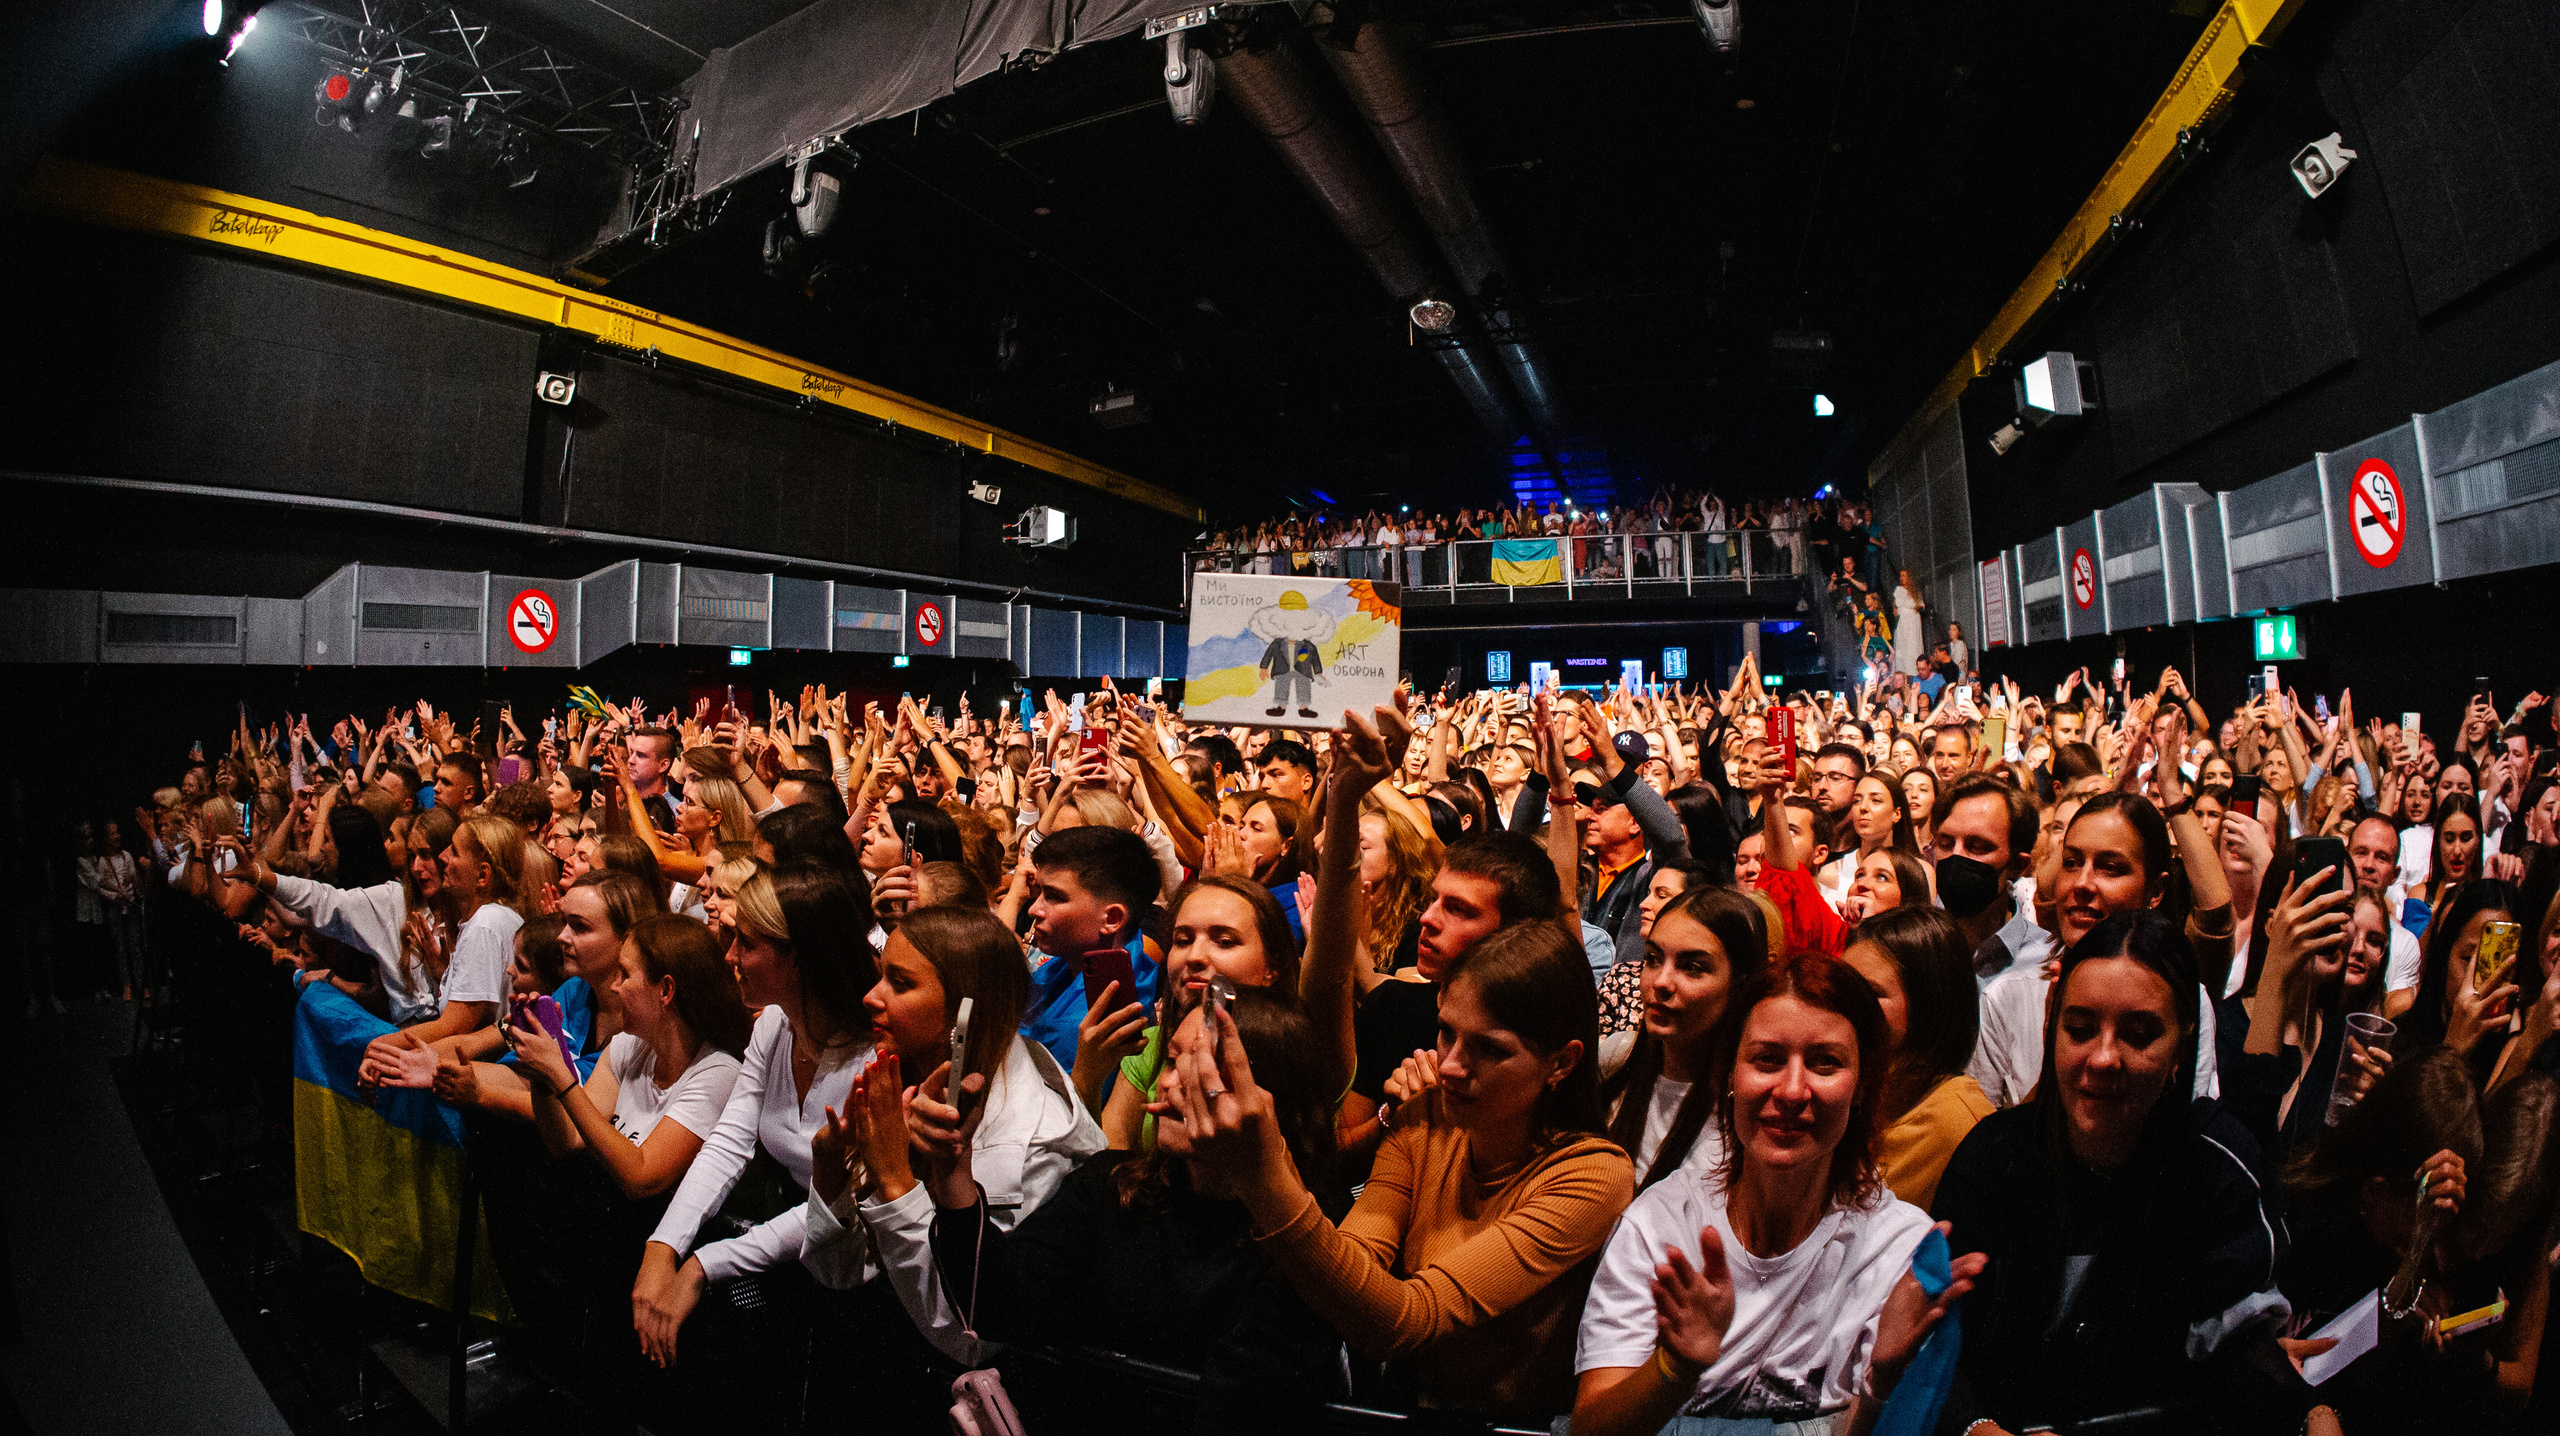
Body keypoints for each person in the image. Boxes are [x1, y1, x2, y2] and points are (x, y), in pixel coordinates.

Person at [1181, 919, 1634, 1422]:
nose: (1450, 1066)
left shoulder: (1593, 1173)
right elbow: (1352, 1267)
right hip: (1392, 1407)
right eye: (1447, 1033)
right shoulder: (1426, 1117)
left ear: (1562, 1063)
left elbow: (1407, 1320)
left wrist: (1265, 1180)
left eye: (1490, 1049)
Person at [1570, 953, 1981, 1435]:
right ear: (1728, 1074)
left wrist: (1882, 1382)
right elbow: (1588, 1428)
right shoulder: (1663, 1224)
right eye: (1767, 1059)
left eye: (1825, 1063)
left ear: (1864, 1085)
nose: (1791, 1091)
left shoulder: (1894, 1248)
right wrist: (1674, 1369)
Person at [1931, 912, 2309, 1436]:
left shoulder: (2218, 1171)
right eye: (2080, 1029)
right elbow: (1935, 1344)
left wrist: (2308, 1401)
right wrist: (1979, 1427)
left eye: (2138, 1034)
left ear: (2182, 1045)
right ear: (2052, 1027)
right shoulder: (1992, 1158)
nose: (2104, 1058)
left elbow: (2239, 1358)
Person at [905, 987, 1348, 1433]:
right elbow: (997, 1307)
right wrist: (954, 1172)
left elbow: (1246, 1404)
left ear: (1270, 1096)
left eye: (1204, 1068)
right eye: (1173, 1061)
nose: (1172, 1084)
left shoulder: (1308, 1235)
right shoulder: (1112, 1185)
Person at [805, 904, 1102, 1364]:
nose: (871, 996)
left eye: (900, 983)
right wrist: (828, 1169)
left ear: (966, 1009)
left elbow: (966, 1336)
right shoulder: (908, 1076)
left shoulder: (1034, 1144)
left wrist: (895, 1183)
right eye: (880, 975)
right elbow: (839, 1273)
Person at [632, 862, 875, 1367]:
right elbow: (728, 1142)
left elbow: (835, 1206)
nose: (729, 955)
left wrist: (702, 1261)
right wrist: (663, 1247)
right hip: (787, 1250)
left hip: (853, 1272)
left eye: (746, 943)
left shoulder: (873, 1059)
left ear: (797, 961)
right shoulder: (775, 1027)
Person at [514, 912, 749, 1198]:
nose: (614, 986)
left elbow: (641, 1178)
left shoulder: (719, 1073)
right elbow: (567, 1139)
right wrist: (542, 1079)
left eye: (624, 974)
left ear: (665, 990)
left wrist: (561, 1077)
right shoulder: (629, 1045)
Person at [1596, 885, 1770, 1184]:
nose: (1661, 982)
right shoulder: (1616, 1056)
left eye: (1692, 968)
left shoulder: (1754, 1112)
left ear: (1740, 983)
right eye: (1652, 959)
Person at [1839, 907, 1991, 1207]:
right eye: (1842, 986)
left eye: (1869, 992)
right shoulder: (1853, 1094)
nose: (1844, 1004)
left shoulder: (1960, 1121)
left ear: (1928, 1004)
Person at [1018, 824, 1163, 1071]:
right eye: (1039, 892)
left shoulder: (1085, 1026)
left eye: (1054, 896)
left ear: (1112, 919)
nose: (1034, 909)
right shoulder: (1086, 959)